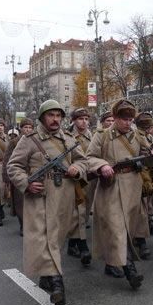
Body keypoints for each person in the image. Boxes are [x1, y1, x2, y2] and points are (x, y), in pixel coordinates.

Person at [7, 100, 88, 305]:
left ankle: (46, 276)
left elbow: (83, 160)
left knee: (56, 239)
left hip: (64, 197)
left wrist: (77, 169)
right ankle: (58, 286)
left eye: (58, 115)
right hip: (39, 198)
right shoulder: (29, 140)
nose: (55, 119)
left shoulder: (69, 140)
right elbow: (14, 166)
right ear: (43, 117)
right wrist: (26, 183)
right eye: (51, 115)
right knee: (46, 239)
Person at [85, 99, 153, 289]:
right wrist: (102, 165)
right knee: (117, 228)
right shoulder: (102, 135)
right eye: (123, 118)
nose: (127, 122)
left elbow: (149, 149)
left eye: (130, 119)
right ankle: (131, 272)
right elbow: (89, 158)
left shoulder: (136, 135)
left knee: (126, 228)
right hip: (111, 187)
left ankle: (111, 263)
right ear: (115, 118)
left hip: (133, 186)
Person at [66, 108, 94, 265]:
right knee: (78, 213)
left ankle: (71, 245)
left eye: (86, 118)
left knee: (84, 212)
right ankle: (83, 248)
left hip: (91, 179)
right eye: (80, 118)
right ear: (74, 121)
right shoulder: (68, 137)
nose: (84, 121)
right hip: (75, 179)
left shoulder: (93, 136)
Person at [3, 119, 34, 236]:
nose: (28, 130)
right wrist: (6, 177)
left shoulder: (35, 140)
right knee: (20, 201)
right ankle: (22, 225)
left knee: (32, 201)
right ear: (20, 128)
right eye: (25, 127)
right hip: (19, 174)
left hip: (33, 174)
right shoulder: (14, 141)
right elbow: (8, 159)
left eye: (30, 127)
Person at [135, 111, 153, 247]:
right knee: (140, 207)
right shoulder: (135, 135)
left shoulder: (149, 137)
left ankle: (148, 222)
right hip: (138, 174)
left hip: (150, 173)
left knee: (147, 203)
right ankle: (139, 239)